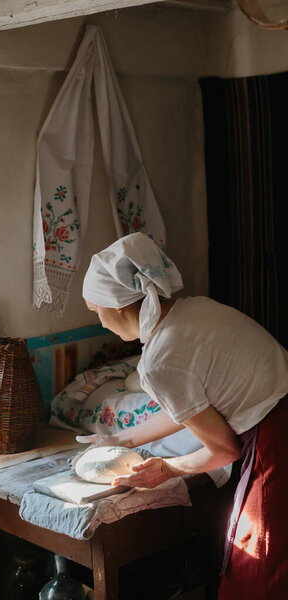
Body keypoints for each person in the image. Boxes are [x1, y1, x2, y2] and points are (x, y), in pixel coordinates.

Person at [79, 232, 288, 600]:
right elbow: (193, 406)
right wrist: (120, 440)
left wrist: (168, 468)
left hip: (278, 442)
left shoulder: (159, 360)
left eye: (96, 311)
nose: (100, 322)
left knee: (259, 577)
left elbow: (224, 450)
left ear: (119, 305)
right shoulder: (195, 309)